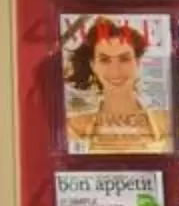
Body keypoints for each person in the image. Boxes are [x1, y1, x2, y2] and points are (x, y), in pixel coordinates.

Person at [65, 15, 162, 151]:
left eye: (124, 59)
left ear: (137, 62)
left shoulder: (165, 122)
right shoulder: (75, 127)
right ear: (93, 65)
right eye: (105, 60)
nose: (115, 70)